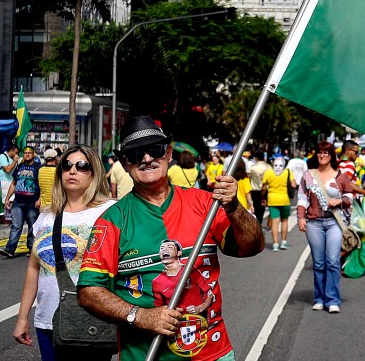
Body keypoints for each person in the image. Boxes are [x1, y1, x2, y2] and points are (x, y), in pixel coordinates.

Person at [78, 116, 264, 361]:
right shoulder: (112, 220)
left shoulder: (205, 203)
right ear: (124, 164)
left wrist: (234, 208)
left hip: (211, 353)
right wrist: (140, 316)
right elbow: (89, 291)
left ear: (167, 153)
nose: (146, 159)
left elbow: (252, 246)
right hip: (146, 354)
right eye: (135, 154)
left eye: (154, 149)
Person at [11, 145, 115, 360]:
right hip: (48, 321)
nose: (72, 171)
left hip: (90, 321)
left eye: (82, 166)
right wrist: (23, 318)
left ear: (94, 172)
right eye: (66, 165)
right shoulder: (46, 216)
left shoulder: (110, 212)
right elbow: (33, 268)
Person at [297, 141, 355, 313]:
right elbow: (302, 198)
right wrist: (301, 217)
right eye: (320, 152)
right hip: (314, 222)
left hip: (334, 222)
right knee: (319, 262)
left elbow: (350, 197)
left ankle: (332, 299)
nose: (322, 155)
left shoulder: (341, 176)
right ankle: (319, 298)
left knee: (332, 261)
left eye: (326, 152)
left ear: (332, 156)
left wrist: (339, 201)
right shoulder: (308, 175)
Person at [1, 145, 41, 258]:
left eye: (29, 152)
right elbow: (14, 183)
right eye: (25, 152)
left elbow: (42, 184)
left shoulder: (38, 167)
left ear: (33, 154)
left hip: (32, 202)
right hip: (18, 202)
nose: (27, 154)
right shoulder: (19, 166)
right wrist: (8, 197)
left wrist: (39, 199)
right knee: (16, 225)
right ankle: (10, 249)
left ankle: (31, 248)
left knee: (32, 226)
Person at [263, 156, 295, 250]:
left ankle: (275, 244)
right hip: (285, 199)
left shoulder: (268, 172)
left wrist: (263, 197)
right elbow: (293, 184)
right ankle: (283, 242)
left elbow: (264, 187)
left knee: (275, 222)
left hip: (272, 199)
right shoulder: (287, 172)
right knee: (284, 221)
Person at [0, 144, 19, 224]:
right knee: (4, 200)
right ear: (11, 151)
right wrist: (15, 161)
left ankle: (9, 217)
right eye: (15, 153)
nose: (16, 155)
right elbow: (8, 170)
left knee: (11, 200)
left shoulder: (13, 158)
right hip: (3, 181)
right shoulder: (2, 157)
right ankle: (3, 218)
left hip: (11, 181)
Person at [249, 152, 269, 226]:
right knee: (262, 206)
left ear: (256, 158)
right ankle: (260, 221)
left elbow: (249, 178)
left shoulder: (253, 167)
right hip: (264, 189)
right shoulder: (268, 167)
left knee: (255, 206)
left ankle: (256, 221)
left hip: (254, 189)